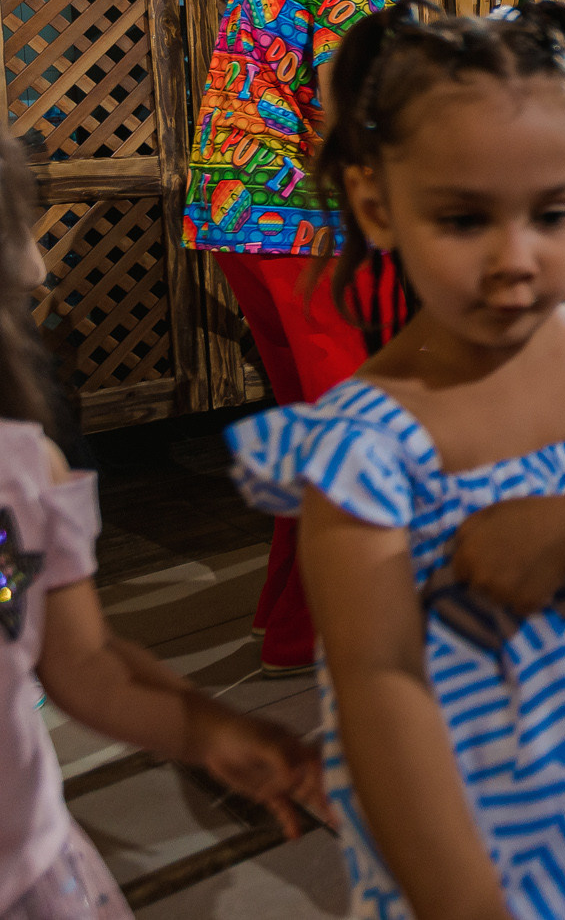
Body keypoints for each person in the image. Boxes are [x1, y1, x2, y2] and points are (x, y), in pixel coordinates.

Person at [227, 0, 565, 918]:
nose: (518, 259)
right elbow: (377, 697)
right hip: (480, 828)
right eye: (463, 217)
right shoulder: (361, 449)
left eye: (554, 210)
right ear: (377, 202)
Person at [181, 0, 502, 676]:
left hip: (234, 213)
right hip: (298, 222)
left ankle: (285, 624)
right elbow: (353, 114)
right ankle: (331, 640)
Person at [2, 129, 324, 920]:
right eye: (11, 235)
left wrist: (211, 731)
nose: (36, 270)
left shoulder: (21, 470)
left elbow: (83, 662)